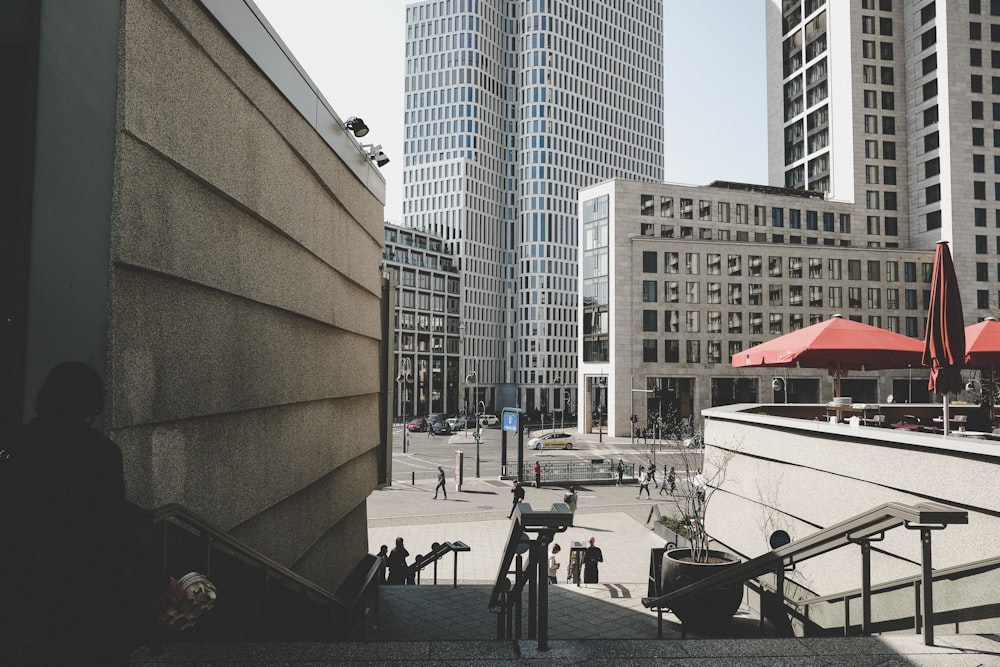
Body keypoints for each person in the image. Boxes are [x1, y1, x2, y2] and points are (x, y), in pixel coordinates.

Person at [0, 362, 184, 666]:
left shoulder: (16, 445)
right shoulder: (100, 453)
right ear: (90, 404)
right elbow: (115, 528)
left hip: (25, 594)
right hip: (86, 598)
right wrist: (159, 582)